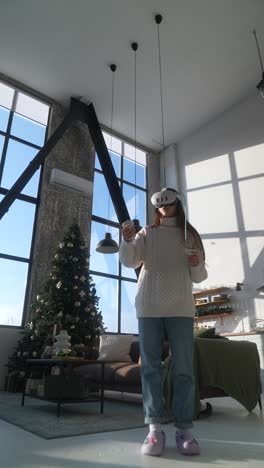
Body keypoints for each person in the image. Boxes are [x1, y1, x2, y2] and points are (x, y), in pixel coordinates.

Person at [119, 187, 207, 457]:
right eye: (159, 205)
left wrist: (195, 263)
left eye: (168, 204)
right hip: (149, 306)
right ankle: (154, 429)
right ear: (155, 208)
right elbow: (129, 260)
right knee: (150, 370)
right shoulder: (147, 232)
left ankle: (185, 430)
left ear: (177, 203)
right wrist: (128, 240)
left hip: (180, 307)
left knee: (184, 370)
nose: (163, 209)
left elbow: (199, 277)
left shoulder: (189, 235)